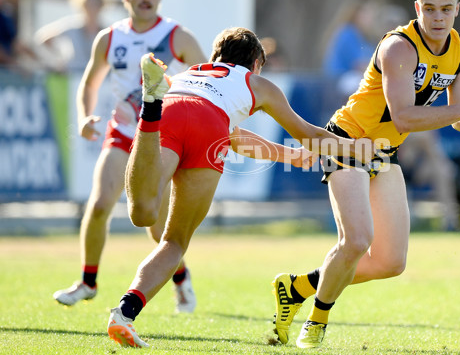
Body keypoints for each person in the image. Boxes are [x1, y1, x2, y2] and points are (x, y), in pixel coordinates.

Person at [271, 0, 460, 348]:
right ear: (417, 7)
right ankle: (316, 321)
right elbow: (405, 116)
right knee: (356, 242)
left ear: (457, 9)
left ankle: (297, 287)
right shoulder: (399, 46)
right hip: (347, 141)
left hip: (384, 151)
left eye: (445, 9)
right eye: (429, 8)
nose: (437, 17)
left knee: (390, 263)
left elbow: (459, 112)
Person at [105, 27, 373, 348]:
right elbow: (309, 134)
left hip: (172, 108)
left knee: (143, 213)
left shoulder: (190, 73)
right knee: (175, 242)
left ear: (216, 56)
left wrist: (290, 156)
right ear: (258, 62)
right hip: (210, 126)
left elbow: (235, 137)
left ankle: (150, 107)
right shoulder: (256, 82)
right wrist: (356, 148)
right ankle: (123, 312)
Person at [52, 0, 207, 313]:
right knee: (99, 204)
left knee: (155, 226)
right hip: (122, 133)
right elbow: (89, 82)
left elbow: (207, 77)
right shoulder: (110, 38)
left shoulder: (176, 36)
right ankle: (87, 283)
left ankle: (181, 279)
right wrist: (83, 117)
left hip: (162, 139)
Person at [35, 0, 111, 73]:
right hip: (73, 74)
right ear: (82, 5)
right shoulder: (72, 26)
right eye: (89, 4)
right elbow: (44, 38)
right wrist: (59, 58)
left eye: (96, 4)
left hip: (98, 77)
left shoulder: (107, 30)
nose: (92, 8)